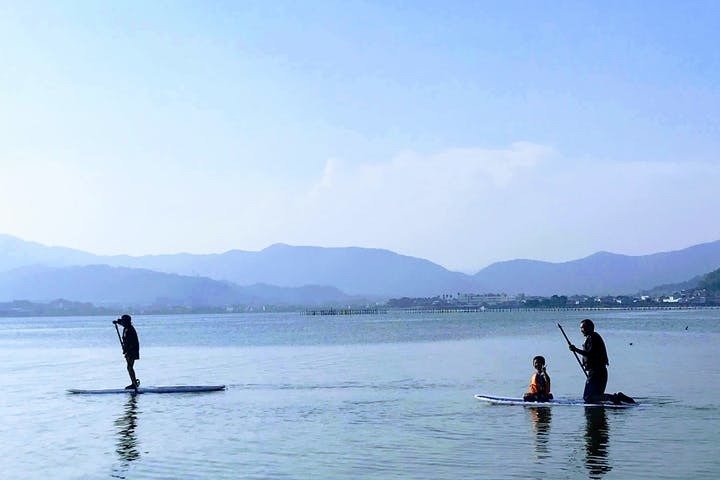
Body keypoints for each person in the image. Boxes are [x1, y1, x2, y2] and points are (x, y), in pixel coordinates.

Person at [569, 319, 634, 404]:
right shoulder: (591, 337)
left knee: (588, 397)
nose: (581, 330)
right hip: (599, 371)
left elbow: (590, 354)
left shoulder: (593, 338)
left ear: (590, 327)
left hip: (597, 372)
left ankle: (614, 398)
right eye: (581, 328)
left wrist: (575, 349)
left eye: (583, 328)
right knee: (597, 395)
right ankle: (618, 397)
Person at [114, 314, 140, 390]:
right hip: (129, 350)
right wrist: (117, 322)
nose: (122, 323)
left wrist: (127, 351)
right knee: (129, 367)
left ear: (127, 322)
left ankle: (134, 384)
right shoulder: (127, 327)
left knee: (129, 367)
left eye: (123, 321)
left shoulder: (130, 330)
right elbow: (121, 323)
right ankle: (134, 382)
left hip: (132, 351)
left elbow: (131, 343)